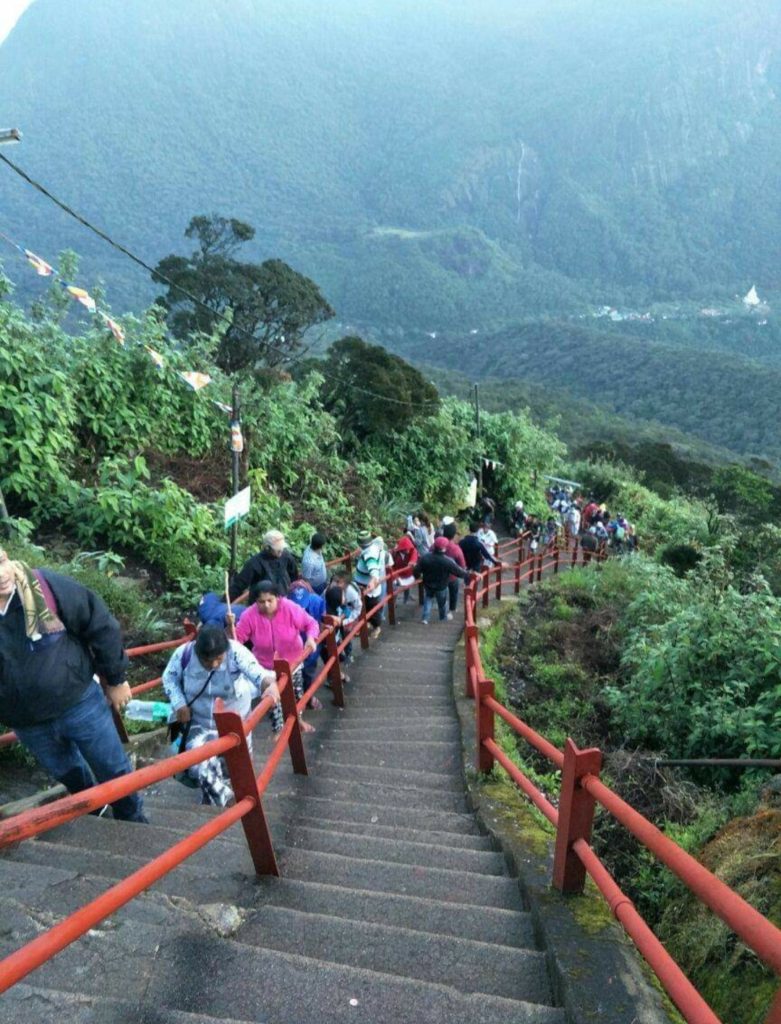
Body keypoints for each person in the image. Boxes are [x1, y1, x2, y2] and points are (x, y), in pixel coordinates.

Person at [0, 549, 147, 823]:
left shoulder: (43, 587)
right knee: (68, 772)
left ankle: (132, 820)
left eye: (1, 562)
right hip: (28, 722)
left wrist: (115, 678)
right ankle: (95, 809)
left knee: (112, 768)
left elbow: (99, 622)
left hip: (79, 702)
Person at [161, 625, 279, 804]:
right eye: (207, 661)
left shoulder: (236, 652)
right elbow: (169, 678)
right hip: (199, 721)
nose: (214, 665)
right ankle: (228, 800)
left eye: (218, 659)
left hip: (235, 718)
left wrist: (269, 685)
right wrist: (179, 703)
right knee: (199, 764)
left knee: (234, 767)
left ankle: (217, 799)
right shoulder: (183, 654)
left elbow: (258, 673)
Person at [234, 581, 320, 733]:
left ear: (277, 598)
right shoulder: (249, 615)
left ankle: (298, 721)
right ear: (255, 602)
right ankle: (279, 731)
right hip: (265, 665)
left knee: (296, 695)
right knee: (272, 699)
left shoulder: (289, 608)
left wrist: (311, 638)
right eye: (261, 602)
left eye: (270, 600)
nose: (266, 605)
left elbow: (311, 623)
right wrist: (231, 628)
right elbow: (237, 640)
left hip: (292, 661)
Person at [413, 537, 472, 624]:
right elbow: (459, 572)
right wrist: (469, 574)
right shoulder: (447, 561)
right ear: (444, 548)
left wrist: (417, 577)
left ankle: (425, 618)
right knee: (442, 603)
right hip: (441, 586)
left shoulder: (425, 557)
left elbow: (416, 570)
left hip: (428, 583)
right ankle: (442, 618)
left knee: (428, 599)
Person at [287, 578, 326, 708]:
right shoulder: (284, 606)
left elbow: (322, 619)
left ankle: (307, 697)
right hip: (291, 647)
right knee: (292, 676)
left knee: (309, 673)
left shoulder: (317, 601)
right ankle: (295, 702)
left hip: (310, 646)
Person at [229, 530, 298, 601]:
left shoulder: (286, 557)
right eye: (277, 549)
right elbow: (239, 585)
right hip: (261, 604)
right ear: (267, 548)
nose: (281, 551)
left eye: (282, 548)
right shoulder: (254, 563)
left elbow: (294, 577)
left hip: (283, 601)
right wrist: (225, 602)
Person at [353, 530, 385, 640]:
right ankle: (366, 623)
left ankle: (376, 627)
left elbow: (373, 569)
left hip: (368, 588)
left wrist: (373, 581)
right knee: (364, 606)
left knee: (372, 608)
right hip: (363, 585)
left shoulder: (369, 554)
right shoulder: (373, 546)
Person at [441, 521, 467, 613]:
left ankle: (442, 609)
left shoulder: (436, 545)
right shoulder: (456, 548)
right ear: (454, 535)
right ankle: (452, 608)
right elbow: (462, 564)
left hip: (439, 575)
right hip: (452, 576)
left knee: (441, 592)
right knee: (454, 591)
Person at [392, 529, 418, 603]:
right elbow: (392, 566)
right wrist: (396, 577)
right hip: (398, 574)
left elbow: (414, 558)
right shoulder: (394, 554)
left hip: (408, 574)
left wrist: (412, 562)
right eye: (406, 548)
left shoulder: (413, 551)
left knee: (407, 587)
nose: (408, 550)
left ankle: (405, 600)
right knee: (395, 589)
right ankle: (393, 604)